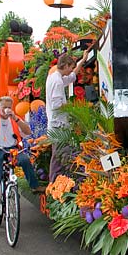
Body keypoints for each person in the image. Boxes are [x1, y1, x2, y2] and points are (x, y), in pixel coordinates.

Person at [0, 96, 46, 225]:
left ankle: (34, 186)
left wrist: (16, 118)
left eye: (8, 107)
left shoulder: (14, 119)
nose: (6, 110)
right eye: (3, 107)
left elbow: (28, 132)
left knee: (25, 160)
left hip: (12, 149)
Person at [46, 49, 89, 182]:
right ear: (64, 66)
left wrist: (82, 60)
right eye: (70, 67)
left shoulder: (54, 77)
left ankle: (57, 184)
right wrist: (74, 111)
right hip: (58, 126)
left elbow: (71, 77)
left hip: (57, 125)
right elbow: (56, 105)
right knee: (59, 158)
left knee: (59, 157)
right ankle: (54, 185)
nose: (72, 69)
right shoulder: (57, 82)